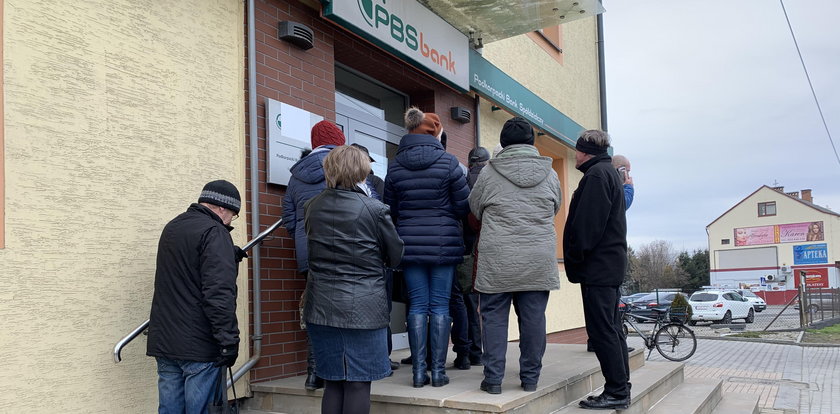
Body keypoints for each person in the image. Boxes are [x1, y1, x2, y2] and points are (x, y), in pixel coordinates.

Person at [303, 145, 404, 414]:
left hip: (321, 306)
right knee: (359, 383)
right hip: (363, 308)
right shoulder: (375, 208)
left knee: (333, 382)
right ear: (362, 171)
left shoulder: (312, 206)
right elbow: (395, 256)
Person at [469, 117, 561, 394]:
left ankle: (494, 379)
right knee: (534, 319)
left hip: (497, 257)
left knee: (494, 319)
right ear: (532, 142)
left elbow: (475, 207)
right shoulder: (551, 173)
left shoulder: (489, 173)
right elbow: (555, 206)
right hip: (538, 257)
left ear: (504, 143)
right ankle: (530, 378)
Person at [384, 107, 470, 388]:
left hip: (409, 245)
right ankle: (438, 371)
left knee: (417, 306)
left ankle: (419, 372)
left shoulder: (395, 166)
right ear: (435, 132)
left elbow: (390, 210)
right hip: (444, 244)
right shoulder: (449, 163)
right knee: (440, 307)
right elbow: (462, 207)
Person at [147, 180, 242, 413]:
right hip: (199, 345)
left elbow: (186, 270)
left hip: (166, 341)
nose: (231, 222)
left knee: (169, 409)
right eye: (233, 215)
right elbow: (218, 293)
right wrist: (228, 341)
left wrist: (228, 254)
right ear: (222, 208)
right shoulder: (215, 232)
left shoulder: (173, 226)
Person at [563, 130, 630, 410]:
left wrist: (576, 261)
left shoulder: (596, 176)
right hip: (606, 267)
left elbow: (587, 228)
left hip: (598, 269)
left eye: (576, 151)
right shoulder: (606, 172)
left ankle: (616, 392)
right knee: (611, 329)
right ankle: (619, 387)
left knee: (602, 330)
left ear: (585, 151)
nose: (574, 155)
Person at [281, 120, 346, 390]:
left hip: (309, 252)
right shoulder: (343, 167)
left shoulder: (296, 176)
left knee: (315, 310)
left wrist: (302, 241)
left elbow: (288, 218)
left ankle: (313, 372)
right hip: (342, 250)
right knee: (343, 309)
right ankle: (341, 369)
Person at [453, 146, 491, 369]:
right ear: (486, 162)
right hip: (487, 249)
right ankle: (479, 352)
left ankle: (467, 354)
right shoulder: (490, 181)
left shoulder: (463, 180)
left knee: (466, 304)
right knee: (485, 306)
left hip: (465, 251)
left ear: (469, 163)